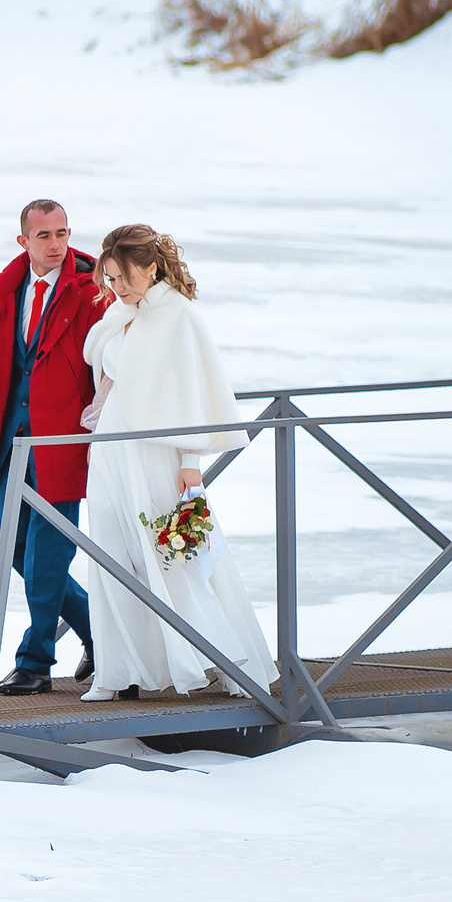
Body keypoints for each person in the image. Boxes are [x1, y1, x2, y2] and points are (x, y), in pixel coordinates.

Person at [75, 223, 277, 699]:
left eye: (123, 277)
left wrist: (191, 460)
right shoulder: (123, 314)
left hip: (157, 448)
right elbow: (112, 378)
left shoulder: (178, 316)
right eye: (108, 278)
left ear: (150, 267)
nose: (116, 288)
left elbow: (191, 391)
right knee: (110, 549)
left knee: (173, 553)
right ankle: (117, 669)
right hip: (110, 448)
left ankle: (227, 658)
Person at [0, 199, 110, 695]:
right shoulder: (7, 292)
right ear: (23, 241)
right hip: (12, 444)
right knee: (18, 552)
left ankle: (35, 662)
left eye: (63, 233)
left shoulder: (92, 291)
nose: (56, 244)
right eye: (44, 236)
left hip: (63, 443)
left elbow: (110, 368)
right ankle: (100, 634)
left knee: (47, 556)